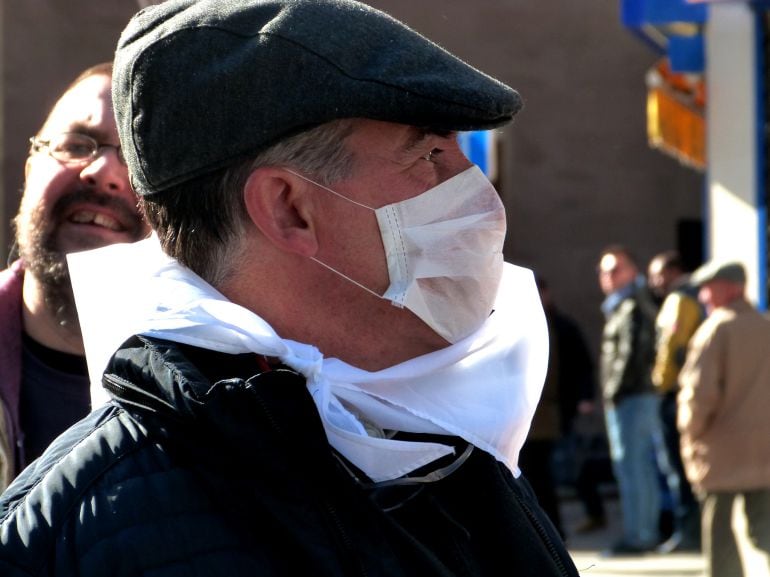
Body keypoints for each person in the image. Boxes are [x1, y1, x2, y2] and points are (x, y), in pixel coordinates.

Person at [0, 1, 580, 576]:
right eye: (429, 154)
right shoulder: (73, 529)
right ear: (289, 209)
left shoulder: (437, 447)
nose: (477, 193)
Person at [0, 62, 148, 491]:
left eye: (137, 157)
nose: (103, 172)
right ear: (29, 174)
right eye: (75, 144)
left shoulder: (235, 395)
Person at [678, 260, 770, 577]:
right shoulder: (764, 325)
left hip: (721, 450)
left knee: (719, 531)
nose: (703, 297)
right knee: (763, 526)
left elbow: (699, 394)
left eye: (708, 288)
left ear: (732, 288)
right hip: (762, 451)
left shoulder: (717, 329)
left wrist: (690, 431)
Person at [596, 245, 665, 555]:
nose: (607, 277)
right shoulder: (624, 306)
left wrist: (613, 391)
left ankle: (640, 536)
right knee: (638, 467)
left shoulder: (633, 307)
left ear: (632, 272)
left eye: (615, 269)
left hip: (632, 398)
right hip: (633, 397)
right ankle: (643, 532)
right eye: (603, 271)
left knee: (633, 466)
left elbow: (631, 356)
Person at [520, 275, 598, 538]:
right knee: (539, 475)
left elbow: (582, 366)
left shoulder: (562, 327)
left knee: (559, 472)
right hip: (534, 416)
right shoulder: (520, 324)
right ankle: (546, 531)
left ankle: (554, 531)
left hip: (556, 413)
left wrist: (585, 398)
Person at [647, 250, 703, 552]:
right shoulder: (696, 297)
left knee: (677, 467)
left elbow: (671, 349)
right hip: (691, 391)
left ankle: (688, 533)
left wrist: (659, 384)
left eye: (658, 274)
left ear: (672, 272)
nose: (654, 281)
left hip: (676, 394)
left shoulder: (679, 300)